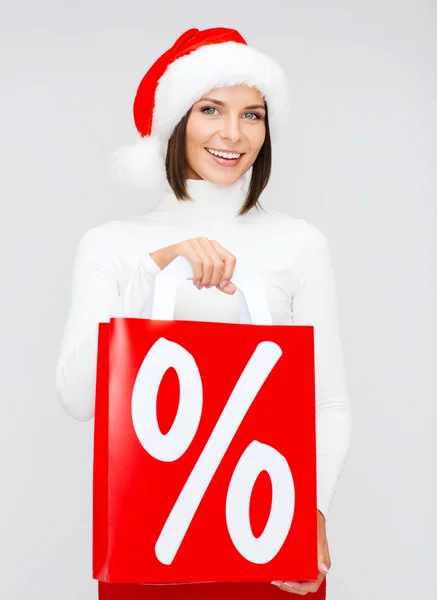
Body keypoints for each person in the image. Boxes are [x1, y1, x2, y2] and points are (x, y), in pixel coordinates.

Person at [56, 27, 352, 599]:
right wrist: (154, 268)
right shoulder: (113, 245)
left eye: (253, 114)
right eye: (211, 109)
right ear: (175, 122)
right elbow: (76, 396)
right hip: (154, 544)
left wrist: (309, 518)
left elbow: (328, 399)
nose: (233, 133)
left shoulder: (298, 242)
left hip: (268, 536)